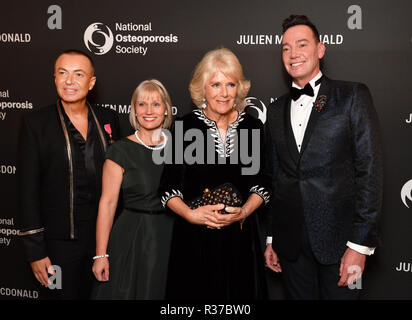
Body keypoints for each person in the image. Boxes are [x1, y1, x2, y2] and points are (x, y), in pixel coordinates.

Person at [264, 15, 383, 299]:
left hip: (343, 245)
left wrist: (359, 247)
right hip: (291, 247)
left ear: (320, 49)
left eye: (302, 45)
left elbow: (370, 172)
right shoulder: (276, 109)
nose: (293, 54)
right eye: (286, 48)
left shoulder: (352, 95)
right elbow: (277, 179)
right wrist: (272, 238)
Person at [160, 47, 271, 300]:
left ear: (239, 88)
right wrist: (191, 215)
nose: (224, 93)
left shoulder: (252, 127)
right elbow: (167, 188)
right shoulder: (184, 126)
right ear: (203, 89)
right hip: (194, 241)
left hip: (240, 240)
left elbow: (262, 183)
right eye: (216, 84)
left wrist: (243, 212)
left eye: (230, 84)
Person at [17, 49, 120, 299]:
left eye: (78, 74)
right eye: (62, 73)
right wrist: (36, 251)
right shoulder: (36, 124)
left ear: (91, 82)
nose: (69, 81)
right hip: (58, 244)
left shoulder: (108, 119)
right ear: (54, 78)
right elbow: (26, 191)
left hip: (103, 240)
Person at [91, 79, 174, 299]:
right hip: (132, 238)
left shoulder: (181, 148)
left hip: (171, 237)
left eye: (156, 104)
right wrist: (100, 255)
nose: (148, 111)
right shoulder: (120, 150)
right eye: (142, 104)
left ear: (166, 109)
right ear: (134, 110)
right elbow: (107, 204)